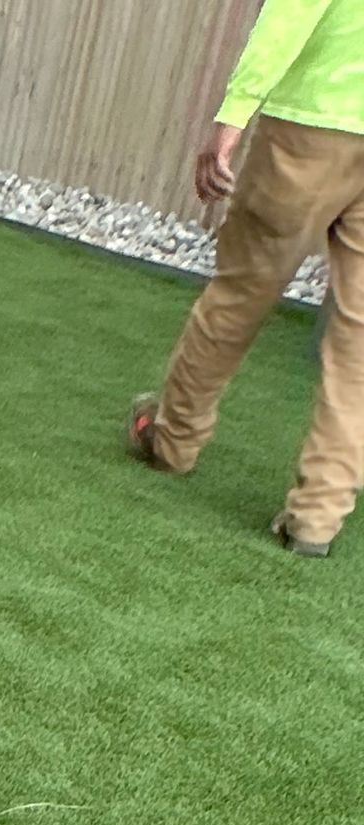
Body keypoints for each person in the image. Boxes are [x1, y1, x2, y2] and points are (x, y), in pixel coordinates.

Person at [130, 0, 364, 555]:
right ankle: (317, 518)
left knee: (240, 294)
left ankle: (173, 442)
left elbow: (291, 14)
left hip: (310, 130)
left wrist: (232, 116)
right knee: (359, 339)